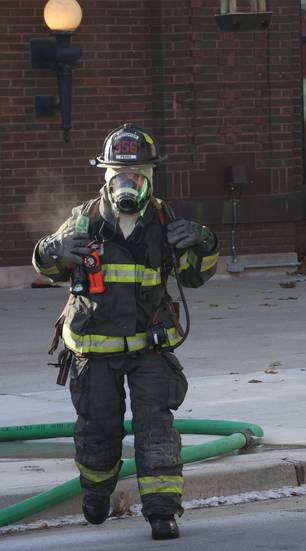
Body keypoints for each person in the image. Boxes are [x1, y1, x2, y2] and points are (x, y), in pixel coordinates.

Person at [32, 123, 219, 540]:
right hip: (94, 348)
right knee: (98, 430)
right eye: (120, 175)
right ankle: (97, 492)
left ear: (150, 177)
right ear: (106, 176)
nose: (128, 184)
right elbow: (49, 266)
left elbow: (193, 277)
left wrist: (205, 243)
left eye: (137, 175)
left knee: (157, 429)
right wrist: (50, 251)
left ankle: (162, 512)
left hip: (149, 346)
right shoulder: (84, 220)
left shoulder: (164, 220)